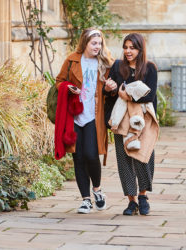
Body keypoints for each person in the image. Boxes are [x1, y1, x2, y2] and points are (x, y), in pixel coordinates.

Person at [55, 28, 114, 214]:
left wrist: (111, 87)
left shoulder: (105, 63)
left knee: (91, 154)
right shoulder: (72, 60)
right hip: (74, 116)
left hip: (93, 116)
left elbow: (112, 88)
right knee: (78, 157)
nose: (97, 46)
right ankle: (85, 200)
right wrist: (68, 87)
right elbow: (59, 81)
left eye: (99, 43)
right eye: (94, 43)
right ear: (85, 43)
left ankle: (97, 190)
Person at [103, 33, 158, 216]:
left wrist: (126, 95)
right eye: (125, 47)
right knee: (124, 160)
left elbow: (150, 96)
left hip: (143, 121)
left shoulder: (150, 68)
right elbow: (109, 94)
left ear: (140, 49)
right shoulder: (118, 67)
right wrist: (109, 89)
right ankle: (131, 201)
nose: (128, 51)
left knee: (143, 156)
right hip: (122, 120)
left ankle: (143, 196)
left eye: (132, 48)